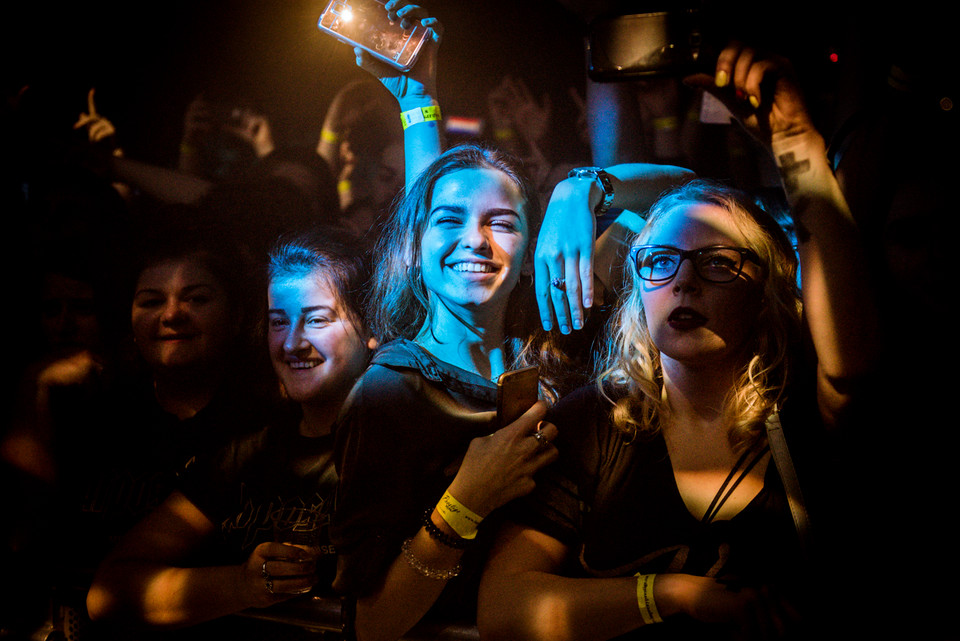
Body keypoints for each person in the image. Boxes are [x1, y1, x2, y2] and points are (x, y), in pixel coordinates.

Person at [477, 42, 879, 641]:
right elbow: (503, 608)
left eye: (717, 262)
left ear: (765, 291)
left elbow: (852, 365)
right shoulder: (593, 423)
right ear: (638, 286)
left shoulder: (800, 410)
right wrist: (672, 594)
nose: (684, 280)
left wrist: (796, 144)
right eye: (661, 261)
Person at [327, 6, 694, 641]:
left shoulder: (558, 327)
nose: (475, 240)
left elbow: (690, 193)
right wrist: (465, 503)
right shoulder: (389, 394)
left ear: (533, 247)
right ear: (416, 245)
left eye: (502, 222)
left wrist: (581, 188)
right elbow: (370, 625)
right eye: (450, 222)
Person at [85, 229, 377, 636]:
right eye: (279, 322)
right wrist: (241, 585)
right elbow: (108, 592)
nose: (292, 342)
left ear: (372, 328)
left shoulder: (394, 448)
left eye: (316, 319)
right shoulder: (248, 450)